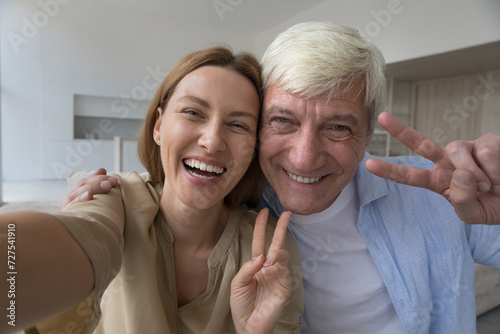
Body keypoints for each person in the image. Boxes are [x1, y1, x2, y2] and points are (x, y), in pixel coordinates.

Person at [62, 22, 500, 333]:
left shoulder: (436, 194)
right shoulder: (233, 210)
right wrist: (98, 196)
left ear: (367, 134)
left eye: (338, 127)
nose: (305, 157)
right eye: (283, 121)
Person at [0, 46, 304, 334]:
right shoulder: (115, 201)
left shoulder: (270, 252)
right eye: (193, 113)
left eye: (238, 125)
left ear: (253, 148)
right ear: (158, 126)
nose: (212, 141)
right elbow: (78, 236)